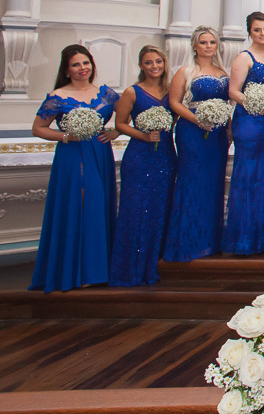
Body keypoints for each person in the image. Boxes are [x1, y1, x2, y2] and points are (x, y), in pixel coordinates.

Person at [29, 46, 120, 292]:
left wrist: (115, 132)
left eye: (86, 63)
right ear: (67, 70)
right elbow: (38, 128)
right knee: (81, 205)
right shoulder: (57, 96)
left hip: (100, 153)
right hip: (72, 155)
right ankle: (78, 271)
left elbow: (126, 115)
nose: (83, 68)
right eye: (76, 64)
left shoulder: (106, 94)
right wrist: (66, 136)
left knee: (98, 206)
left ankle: (98, 270)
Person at [110, 45, 177, 286]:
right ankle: (132, 268)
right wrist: (144, 135)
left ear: (164, 63)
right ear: (141, 66)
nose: (154, 66)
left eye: (158, 61)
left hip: (166, 155)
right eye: (148, 62)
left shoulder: (171, 91)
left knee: (162, 207)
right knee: (137, 209)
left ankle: (157, 264)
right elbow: (120, 124)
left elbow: (175, 118)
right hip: (139, 157)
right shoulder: (132, 92)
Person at [163, 27, 230, 262]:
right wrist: (198, 120)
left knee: (214, 184)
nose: (208, 46)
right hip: (192, 132)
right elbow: (174, 103)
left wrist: (228, 130)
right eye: (203, 42)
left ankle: (210, 242)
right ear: (194, 45)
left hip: (217, 135)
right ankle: (189, 243)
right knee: (193, 181)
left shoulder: (223, 72)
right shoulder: (185, 72)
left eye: (212, 42)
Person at [224, 11, 264, 255]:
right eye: (257, 30)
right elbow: (233, 91)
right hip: (249, 120)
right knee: (250, 173)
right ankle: (245, 238)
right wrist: (256, 104)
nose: (262, 33)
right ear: (250, 32)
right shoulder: (243, 58)